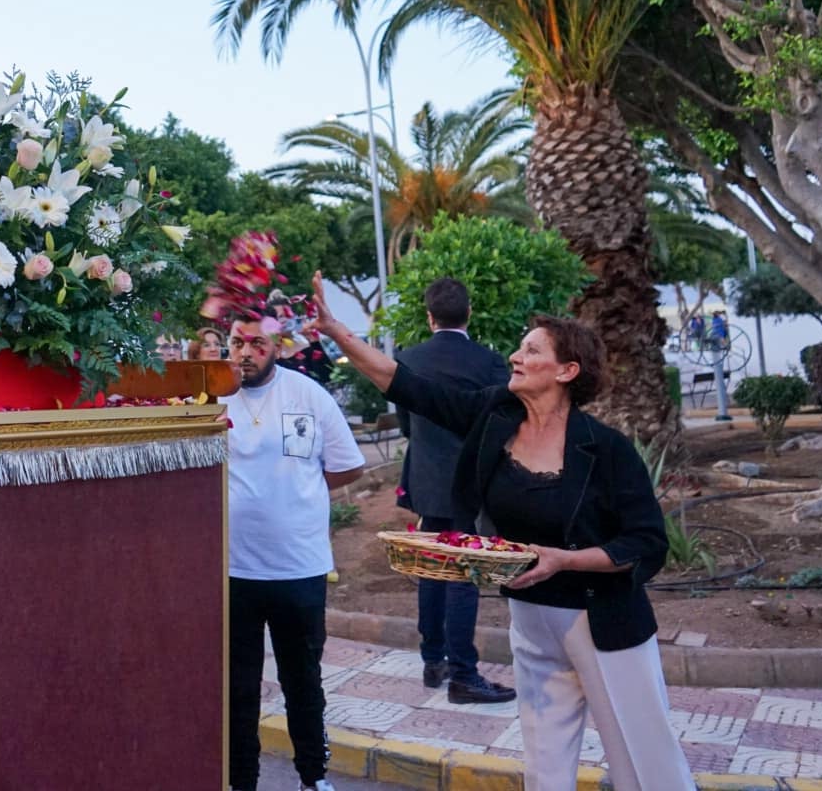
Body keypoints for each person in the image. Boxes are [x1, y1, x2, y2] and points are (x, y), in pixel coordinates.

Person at [310, 272, 690, 789]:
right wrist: (337, 332)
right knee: (545, 768)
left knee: (644, 762)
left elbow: (646, 543)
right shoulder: (494, 416)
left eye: (531, 350)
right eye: (519, 348)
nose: (515, 356)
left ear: (566, 371)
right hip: (531, 619)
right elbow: (409, 386)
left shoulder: (606, 448)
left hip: (603, 622)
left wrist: (564, 559)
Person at [224, 315, 366, 791]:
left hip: (299, 568)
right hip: (233, 570)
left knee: (302, 680)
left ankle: (313, 777)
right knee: (238, 688)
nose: (246, 352)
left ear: (279, 347)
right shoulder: (212, 399)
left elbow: (347, 466)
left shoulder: (309, 395)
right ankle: (242, 781)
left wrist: (297, 494)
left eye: (257, 343)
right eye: (237, 342)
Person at [395, 279, 515, 704]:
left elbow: (406, 425)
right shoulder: (489, 361)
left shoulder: (408, 359)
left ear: (430, 317)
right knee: (463, 575)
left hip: (427, 479)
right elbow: (505, 420)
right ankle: (464, 674)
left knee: (432, 568)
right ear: (469, 313)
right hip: (472, 481)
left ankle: (433, 661)